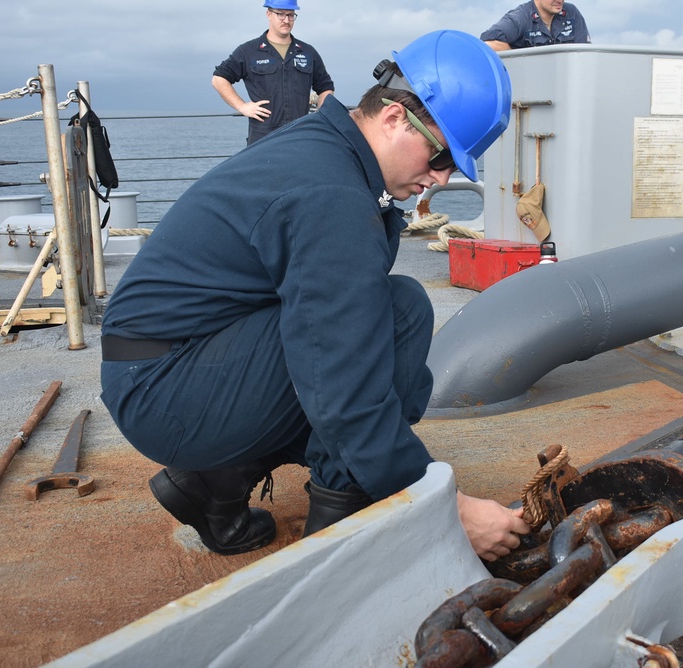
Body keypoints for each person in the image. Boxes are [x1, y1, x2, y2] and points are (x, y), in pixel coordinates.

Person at [100, 30, 531, 561]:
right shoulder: (330, 193)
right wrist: (447, 506)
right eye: (440, 155)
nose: (439, 179)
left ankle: (213, 483)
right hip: (165, 389)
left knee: (400, 309)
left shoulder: (326, 149)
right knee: (388, 324)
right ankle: (334, 538)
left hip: (163, 364)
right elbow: (344, 387)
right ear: (395, 117)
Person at [212, 0, 334, 145]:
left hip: (300, 136)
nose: (286, 20)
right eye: (280, 14)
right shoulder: (249, 51)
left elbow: (325, 87)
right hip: (262, 139)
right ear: (269, 14)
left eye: (290, 15)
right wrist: (242, 106)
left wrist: (319, 116)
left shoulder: (308, 52)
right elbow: (219, 79)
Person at [481, 0, 591, 51]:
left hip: (565, 86)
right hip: (530, 89)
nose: (559, 0)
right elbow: (488, 44)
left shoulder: (572, 13)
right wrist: (515, 57)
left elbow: (586, 53)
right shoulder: (520, 17)